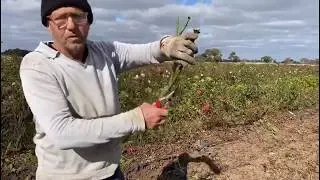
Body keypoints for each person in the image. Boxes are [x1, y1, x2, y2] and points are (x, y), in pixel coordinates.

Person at [19, 0, 199, 179]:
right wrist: (137, 118)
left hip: (111, 171)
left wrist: (168, 45)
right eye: (61, 18)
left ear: (88, 21)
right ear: (48, 24)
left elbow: (147, 51)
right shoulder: (37, 64)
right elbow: (62, 132)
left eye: (78, 17)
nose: (71, 26)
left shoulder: (103, 52)